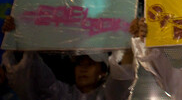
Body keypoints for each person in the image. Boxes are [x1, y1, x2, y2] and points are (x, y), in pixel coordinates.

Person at [1, 15, 137, 100]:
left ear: (102, 72)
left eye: (89, 64)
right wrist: (16, 35)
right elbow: (31, 72)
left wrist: (129, 35)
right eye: (79, 64)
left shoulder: (110, 95)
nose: (83, 69)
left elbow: (122, 75)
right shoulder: (59, 93)